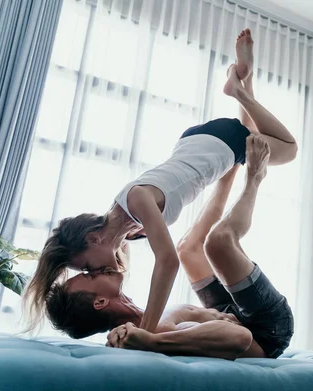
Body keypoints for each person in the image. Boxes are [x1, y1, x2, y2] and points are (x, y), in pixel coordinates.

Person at [23, 28, 297, 334]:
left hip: (214, 144)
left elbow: (167, 262)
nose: (95, 270)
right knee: (249, 147)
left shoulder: (137, 202)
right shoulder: (131, 229)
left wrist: (148, 330)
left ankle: (239, 90)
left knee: (288, 149)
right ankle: (244, 76)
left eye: (87, 266)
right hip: (203, 145)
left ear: (94, 239)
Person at [45, 136, 294, 359]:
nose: (97, 270)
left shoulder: (143, 321)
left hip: (226, 311)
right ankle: (255, 177)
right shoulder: (152, 332)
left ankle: (234, 166)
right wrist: (152, 340)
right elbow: (240, 338)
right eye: (88, 274)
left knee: (187, 248)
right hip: (266, 331)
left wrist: (229, 163)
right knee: (219, 242)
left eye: (89, 268)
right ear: (99, 302)